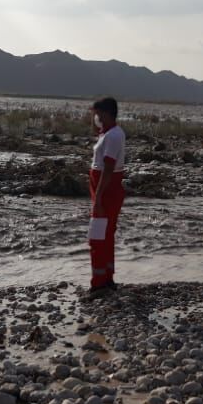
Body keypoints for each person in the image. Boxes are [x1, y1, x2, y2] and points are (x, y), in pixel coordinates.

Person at [88, 97, 126, 297]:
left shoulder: (113, 136)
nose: (95, 117)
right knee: (106, 235)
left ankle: (99, 283)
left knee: (97, 237)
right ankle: (107, 278)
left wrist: (100, 198)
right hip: (105, 188)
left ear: (106, 113)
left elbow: (109, 168)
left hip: (106, 189)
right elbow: (98, 134)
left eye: (97, 113)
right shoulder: (110, 133)